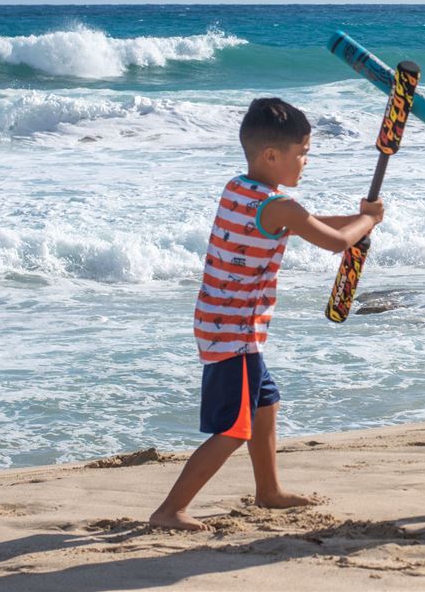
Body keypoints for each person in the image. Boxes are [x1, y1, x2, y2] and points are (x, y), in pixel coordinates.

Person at [151, 97, 384, 531]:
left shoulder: (241, 188)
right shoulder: (280, 207)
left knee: (266, 404)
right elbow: (335, 242)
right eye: (303, 153)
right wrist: (367, 223)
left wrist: (360, 217)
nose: (306, 162)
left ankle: (268, 491)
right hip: (234, 332)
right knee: (235, 428)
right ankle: (170, 509)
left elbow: (307, 222)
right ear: (272, 155)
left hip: (222, 321)